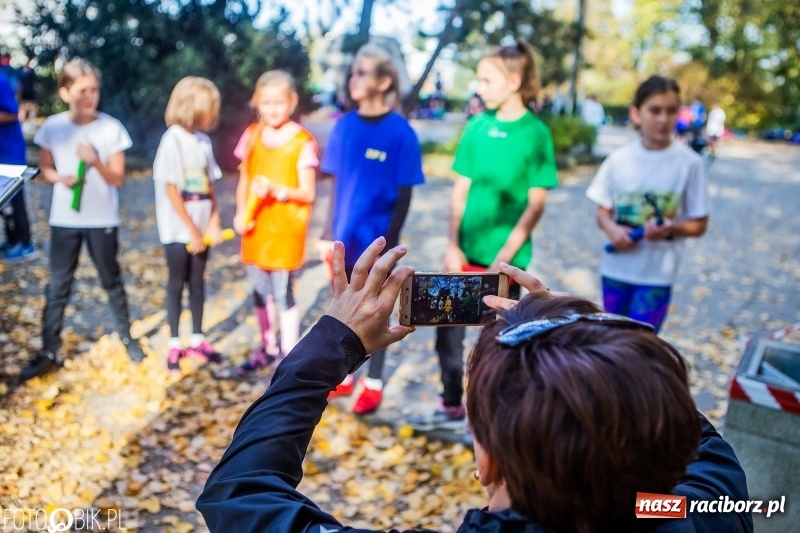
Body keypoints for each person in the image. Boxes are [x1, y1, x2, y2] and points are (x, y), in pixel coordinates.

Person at [196, 237, 753, 533]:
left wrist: (333, 344)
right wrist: (592, 345)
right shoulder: (690, 515)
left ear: (486, 462)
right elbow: (701, 452)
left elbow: (238, 494)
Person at [410, 40, 557, 430]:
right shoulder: (476, 127)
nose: (480, 87)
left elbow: (535, 204)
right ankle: (451, 406)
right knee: (448, 339)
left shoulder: (536, 134)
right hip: (464, 260)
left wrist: (505, 258)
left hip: (505, 267)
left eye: (486, 79)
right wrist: (452, 244)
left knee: (497, 343)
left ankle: (489, 420)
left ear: (512, 81)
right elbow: (460, 191)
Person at [21, 58, 145, 381]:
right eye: (82, 90)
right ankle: (49, 350)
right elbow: (44, 168)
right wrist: (59, 178)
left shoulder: (110, 128)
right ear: (65, 92)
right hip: (65, 219)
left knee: (111, 281)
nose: (91, 96)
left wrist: (95, 161)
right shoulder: (53, 127)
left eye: (95, 90)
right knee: (58, 286)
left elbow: (117, 177)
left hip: (102, 219)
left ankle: (127, 338)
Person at [319, 43, 424, 414]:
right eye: (352, 73)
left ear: (384, 81)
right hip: (343, 245)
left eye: (362, 73)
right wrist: (326, 235)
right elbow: (335, 188)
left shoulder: (401, 134)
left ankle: (374, 383)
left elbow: (404, 197)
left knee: (377, 313)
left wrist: (387, 247)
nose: (353, 79)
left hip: (376, 247)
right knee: (344, 312)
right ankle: (346, 376)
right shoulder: (343, 127)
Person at [586, 76, 709, 333]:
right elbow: (602, 212)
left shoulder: (690, 163)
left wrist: (671, 229)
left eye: (671, 110)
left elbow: (699, 224)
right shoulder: (618, 159)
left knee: (642, 347)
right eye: (655, 110)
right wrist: (612, 230)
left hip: (656, 277)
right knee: (610, 343)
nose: (663, 119)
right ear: (636, 114)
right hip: (615, 271)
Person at [233, 70, 318, 376]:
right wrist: (241, 210)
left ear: (292, 102)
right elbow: (244, 176)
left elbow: (307, 193)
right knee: (259, 290)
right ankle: (267, 347)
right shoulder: (252, 135)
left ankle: (288, 356)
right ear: (257, 102)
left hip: (284, 231)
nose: (272, 109)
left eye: (278, 102)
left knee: (283, 292)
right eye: (266, 102)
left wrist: (278, 191)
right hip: (256, 229)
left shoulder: (302, 142)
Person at [152, 77, 224, 372]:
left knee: (197, 283)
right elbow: (170, 189)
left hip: (202, 229)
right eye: (210, 108)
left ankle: (197, 338)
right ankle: (174, 343)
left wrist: (213, 222)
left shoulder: (203, 142)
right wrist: (192, 230)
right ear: (193, 107)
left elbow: (210, 184)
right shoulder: (172, 140)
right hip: (178, 231)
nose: (214, 115)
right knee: (176, 284)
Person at [0, 69, 36, 262]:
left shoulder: (0, 80)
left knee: (14, 198)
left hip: (10, 152)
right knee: (3, 202)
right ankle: (12, 240)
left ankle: (26, 243)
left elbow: (13, 114)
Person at [17, 60, 38, 129]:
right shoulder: (21, 71)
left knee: (31, 107)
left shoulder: (30, 71)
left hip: (29, 92)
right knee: (23, 107)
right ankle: (21, 122)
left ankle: (31, 122)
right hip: (25, 92)